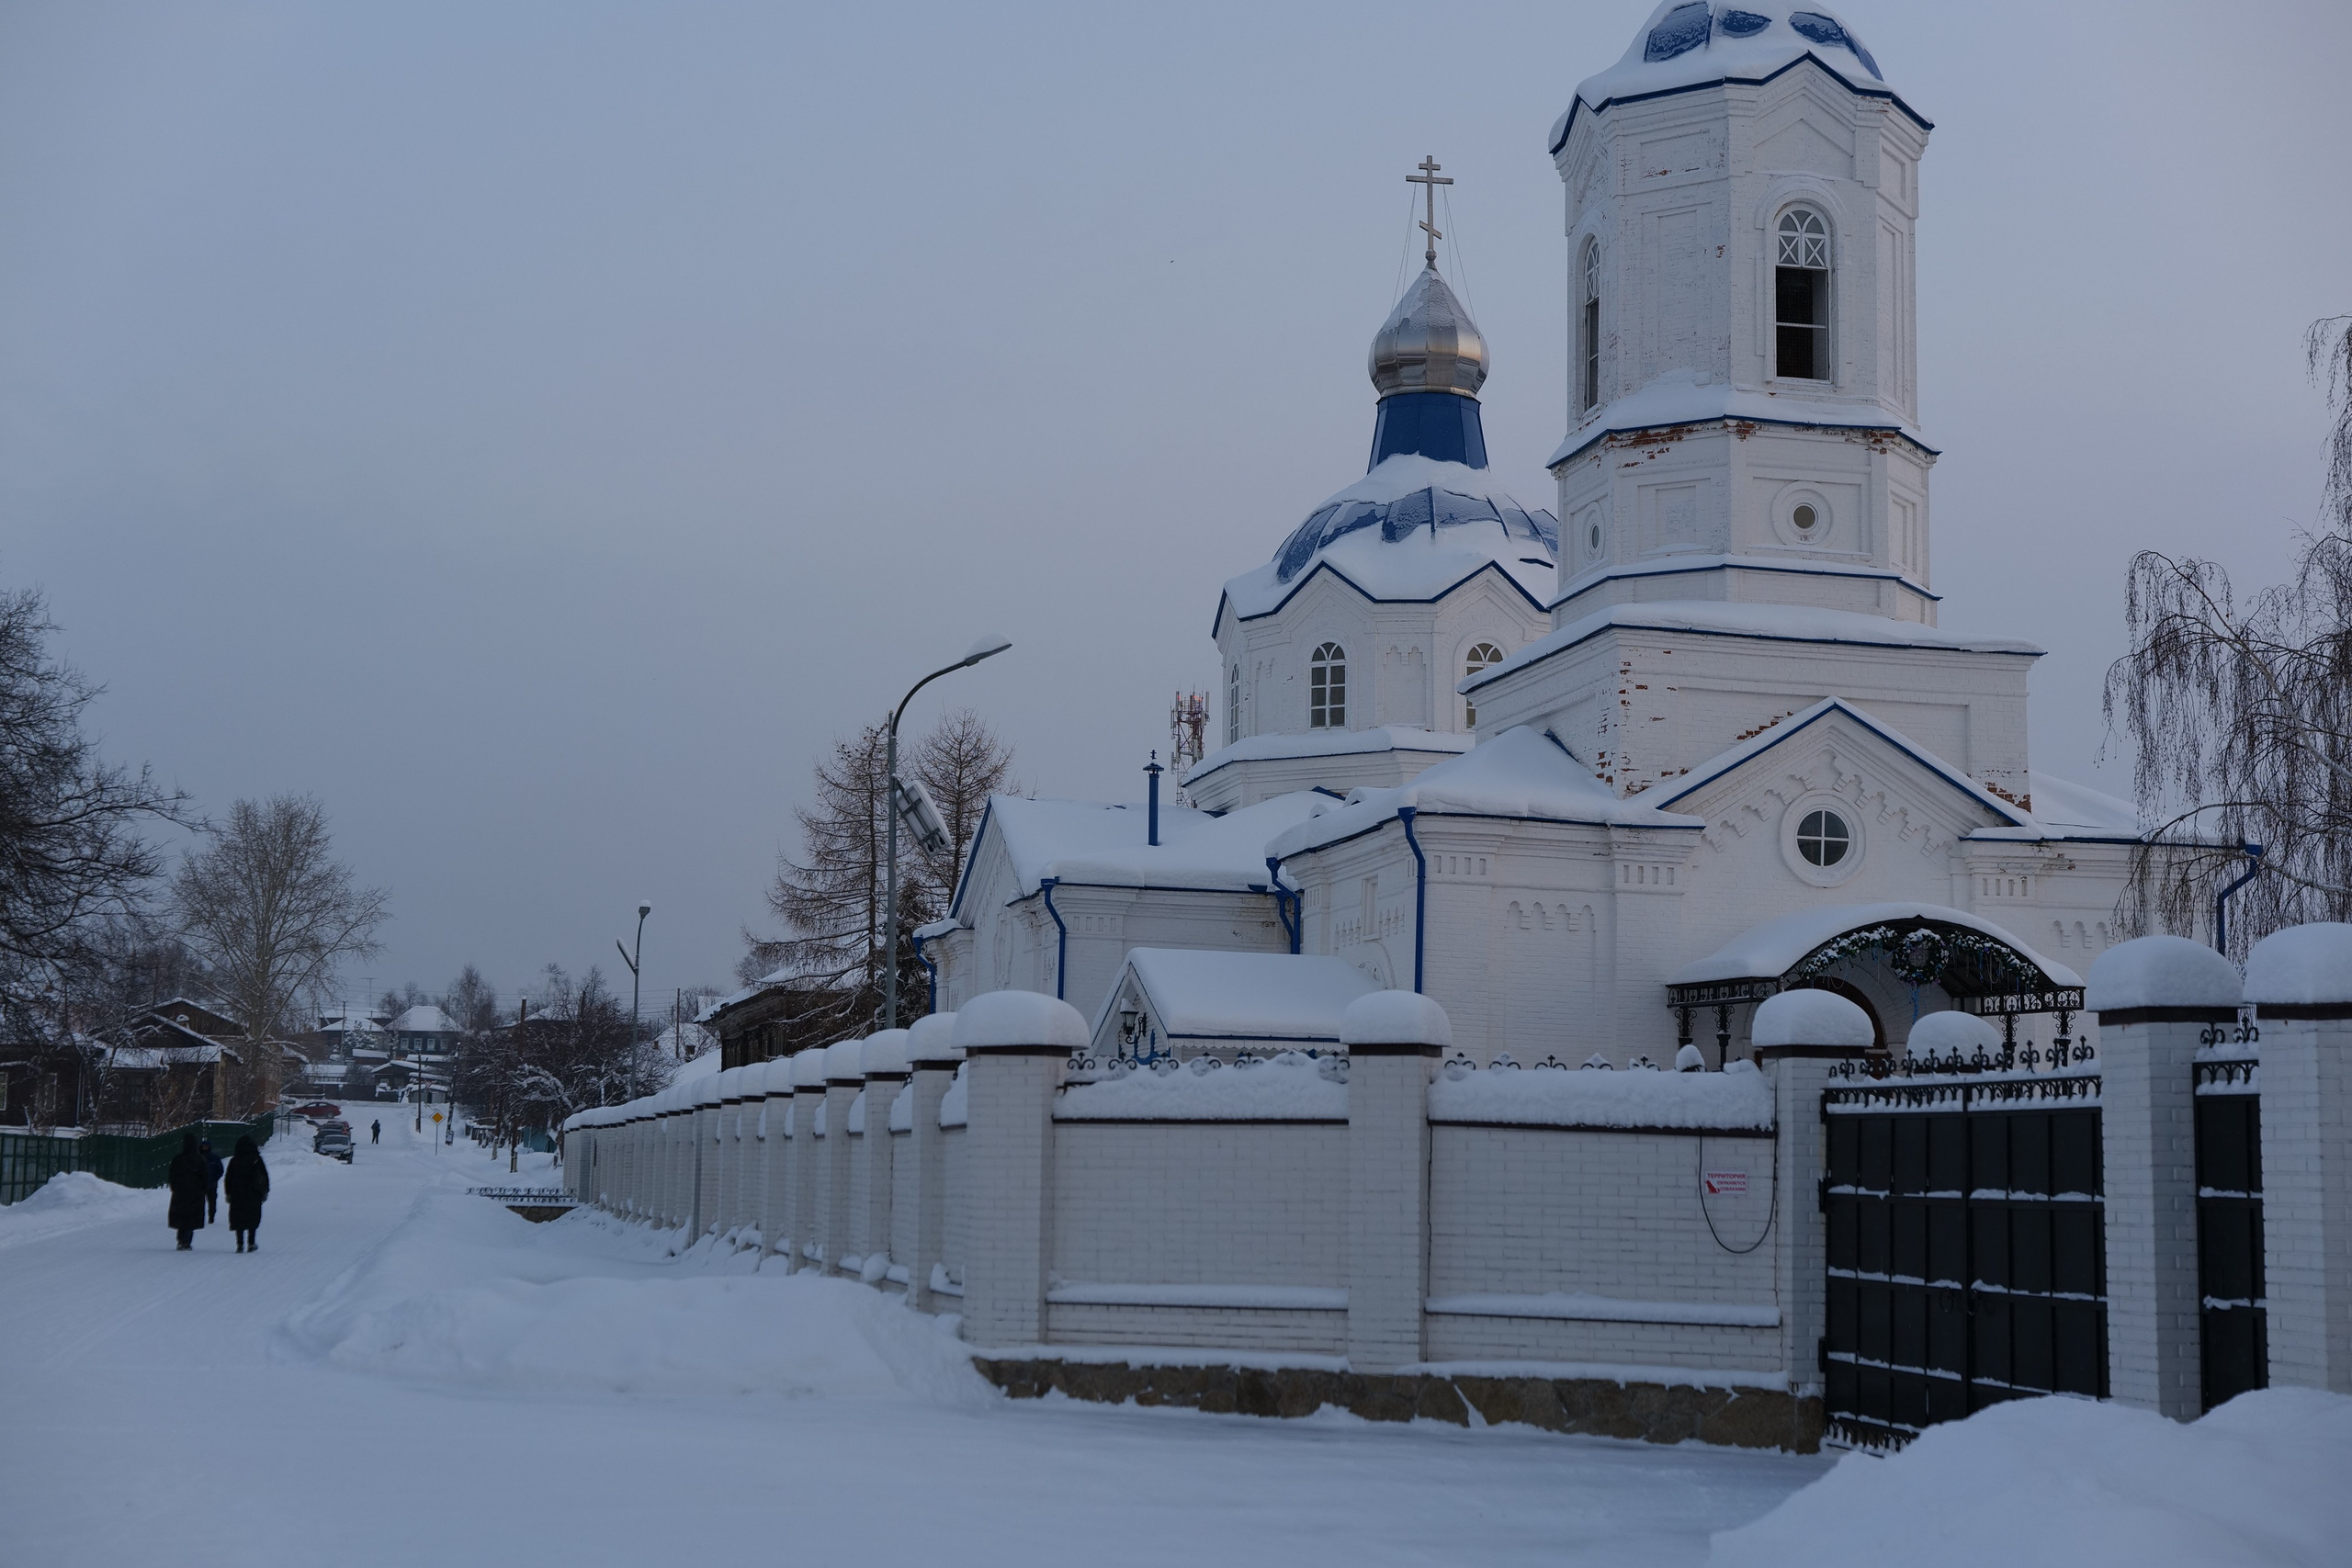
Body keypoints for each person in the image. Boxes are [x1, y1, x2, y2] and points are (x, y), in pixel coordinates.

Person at [224, 1134, 270, 1253]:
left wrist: (228, 1193)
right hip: (253, 1194)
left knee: (238, 1219)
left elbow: (228, 1178)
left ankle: (240, 1244)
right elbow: (264, 1176)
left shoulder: (234, 1160)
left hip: (237, 1194)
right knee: (252, 1219)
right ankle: (251, 1242)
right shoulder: (256, 1159)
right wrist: (264, 1191)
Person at [166, 1134, 209, 1249]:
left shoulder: (177, 1159)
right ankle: (187, 1241)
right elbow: (205, 1177)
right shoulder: (200, 1159)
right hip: (195, 1193)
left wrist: (175, 1187)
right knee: (191, 1217)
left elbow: (172, 1176)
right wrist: (203, 1190)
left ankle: (180, 1239)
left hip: (180, 1192)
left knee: (181, 1216)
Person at [200, 1138, 224, 1224]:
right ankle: (201, 1217)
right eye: (203, 1147)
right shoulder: (198, 1158)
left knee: (212, 1202)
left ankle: (211, 1216)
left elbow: (220, 1170)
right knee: (200, 1203)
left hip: (212, 1185)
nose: (204, 1148)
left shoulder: (214, 1158)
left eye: (206, 1147)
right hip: (201, 1185)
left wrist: (215, 1179)